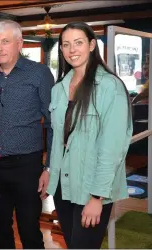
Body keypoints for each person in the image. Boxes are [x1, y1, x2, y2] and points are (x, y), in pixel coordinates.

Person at [0, 20, 54, 249]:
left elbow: (53, 123)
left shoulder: (39, 74)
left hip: (27, 166)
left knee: (29, 232)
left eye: (5, 42)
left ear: (19, 43)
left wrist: (49, 168)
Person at [46, 22, 133, 249]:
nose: (72, 50)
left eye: (78, 43)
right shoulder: (59, 89)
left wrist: (97, 198)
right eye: (66, 45)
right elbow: (58, 142)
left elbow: (112, 148)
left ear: (92, 45)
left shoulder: (109, 87)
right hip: (62, 186)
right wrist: (49, 172)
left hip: (91, 188)